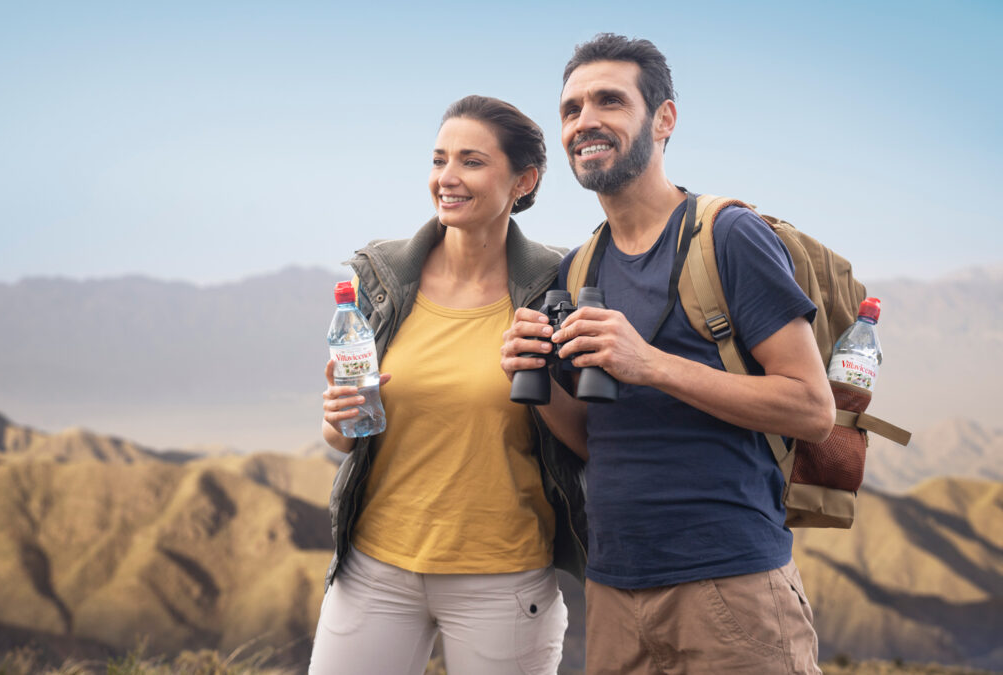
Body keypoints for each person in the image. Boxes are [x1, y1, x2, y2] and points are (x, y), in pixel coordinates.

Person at [501, 34, 834, 674]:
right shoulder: (579, 269)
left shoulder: (728, 237)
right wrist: (534, 379)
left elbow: (811, 409)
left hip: (731, 585)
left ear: (664, 119)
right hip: (614, 589)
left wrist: (650, 363)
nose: (584, 121)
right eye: (570, 109)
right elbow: (595, 438)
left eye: (609, 101)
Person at [309, 95, 587, 675]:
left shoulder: (559, 288)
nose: (447, 177)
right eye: (439, 160)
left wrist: (536, 379)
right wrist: (337, 419)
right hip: (374, 569)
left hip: (503, 579)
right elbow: (346, 438)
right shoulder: (383, 279)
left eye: (471, 161)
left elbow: (589, 438)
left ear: (524, 181)